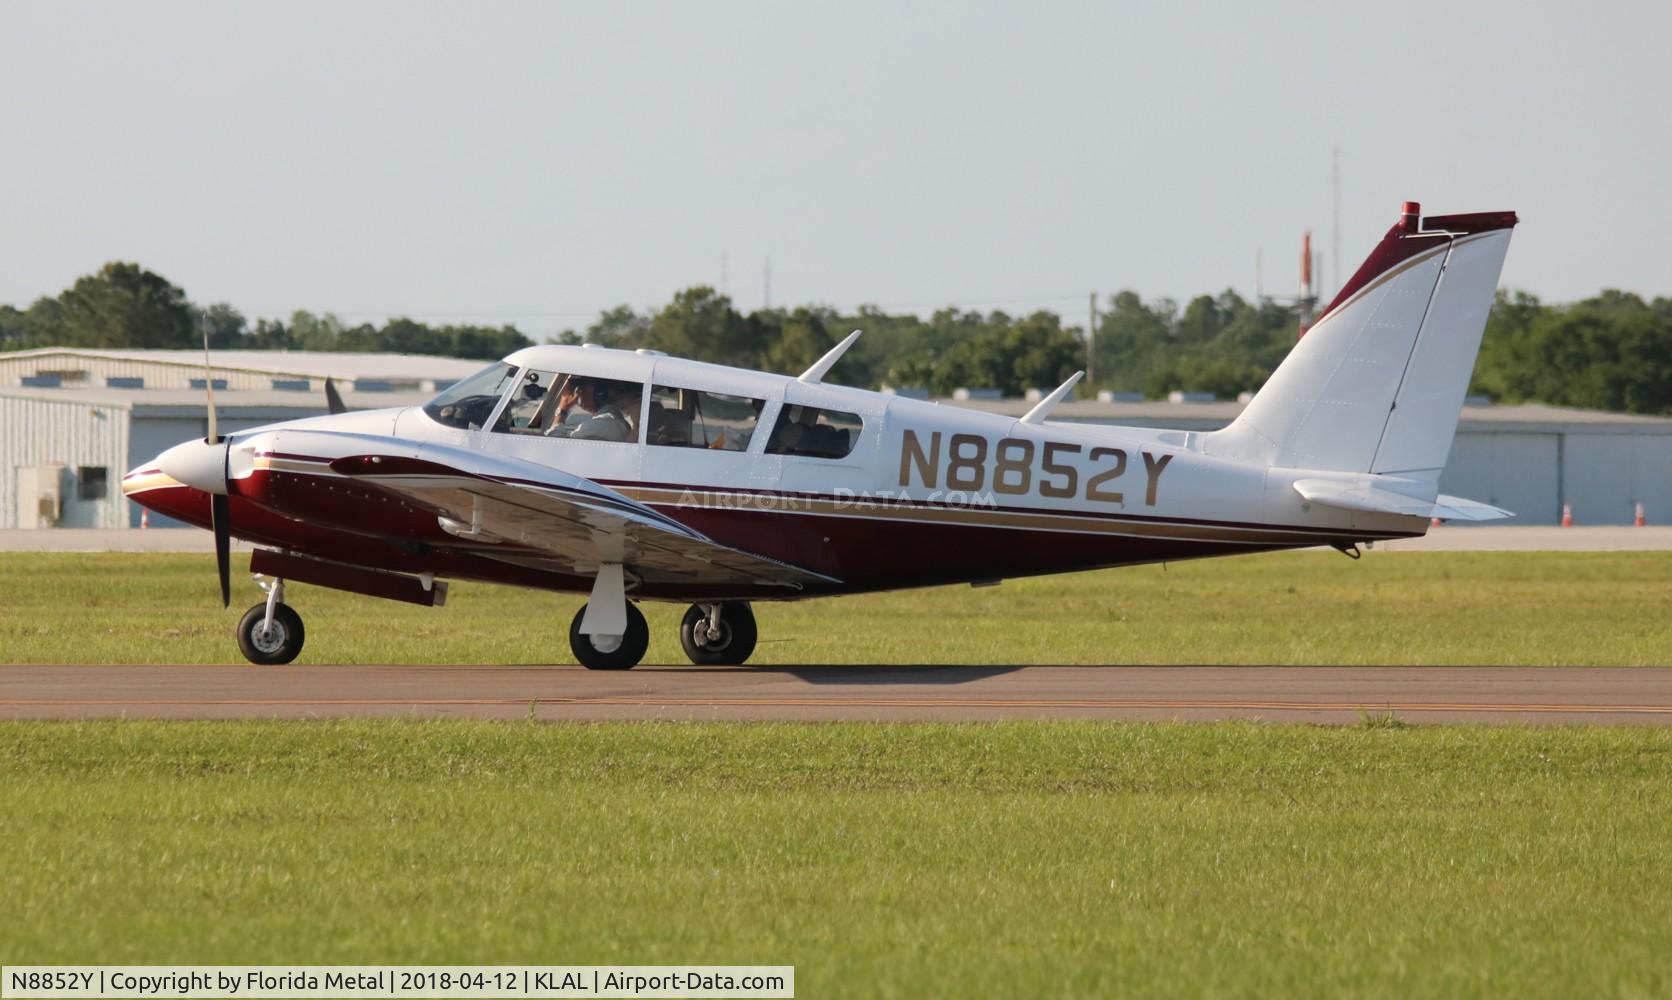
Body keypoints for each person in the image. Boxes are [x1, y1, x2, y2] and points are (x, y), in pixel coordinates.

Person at [547, 377, 637, 442]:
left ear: (599, 392)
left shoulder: (604, 423)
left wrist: (562, 410)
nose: (578, 392)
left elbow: (554, 445)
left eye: (582, 387)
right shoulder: (610, 421)